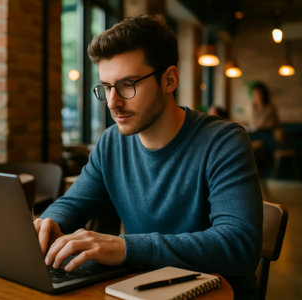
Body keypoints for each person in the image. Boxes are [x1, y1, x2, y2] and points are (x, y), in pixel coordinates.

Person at [34, 14, 262, 300]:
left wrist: (125, 247)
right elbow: (74, 202)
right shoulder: (111, 143)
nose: (113, 102)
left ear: (169, 80)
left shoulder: (223, 141)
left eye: (128, 84)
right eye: (106, 87)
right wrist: (48, 223)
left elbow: (239, 245)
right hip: (141, 292)